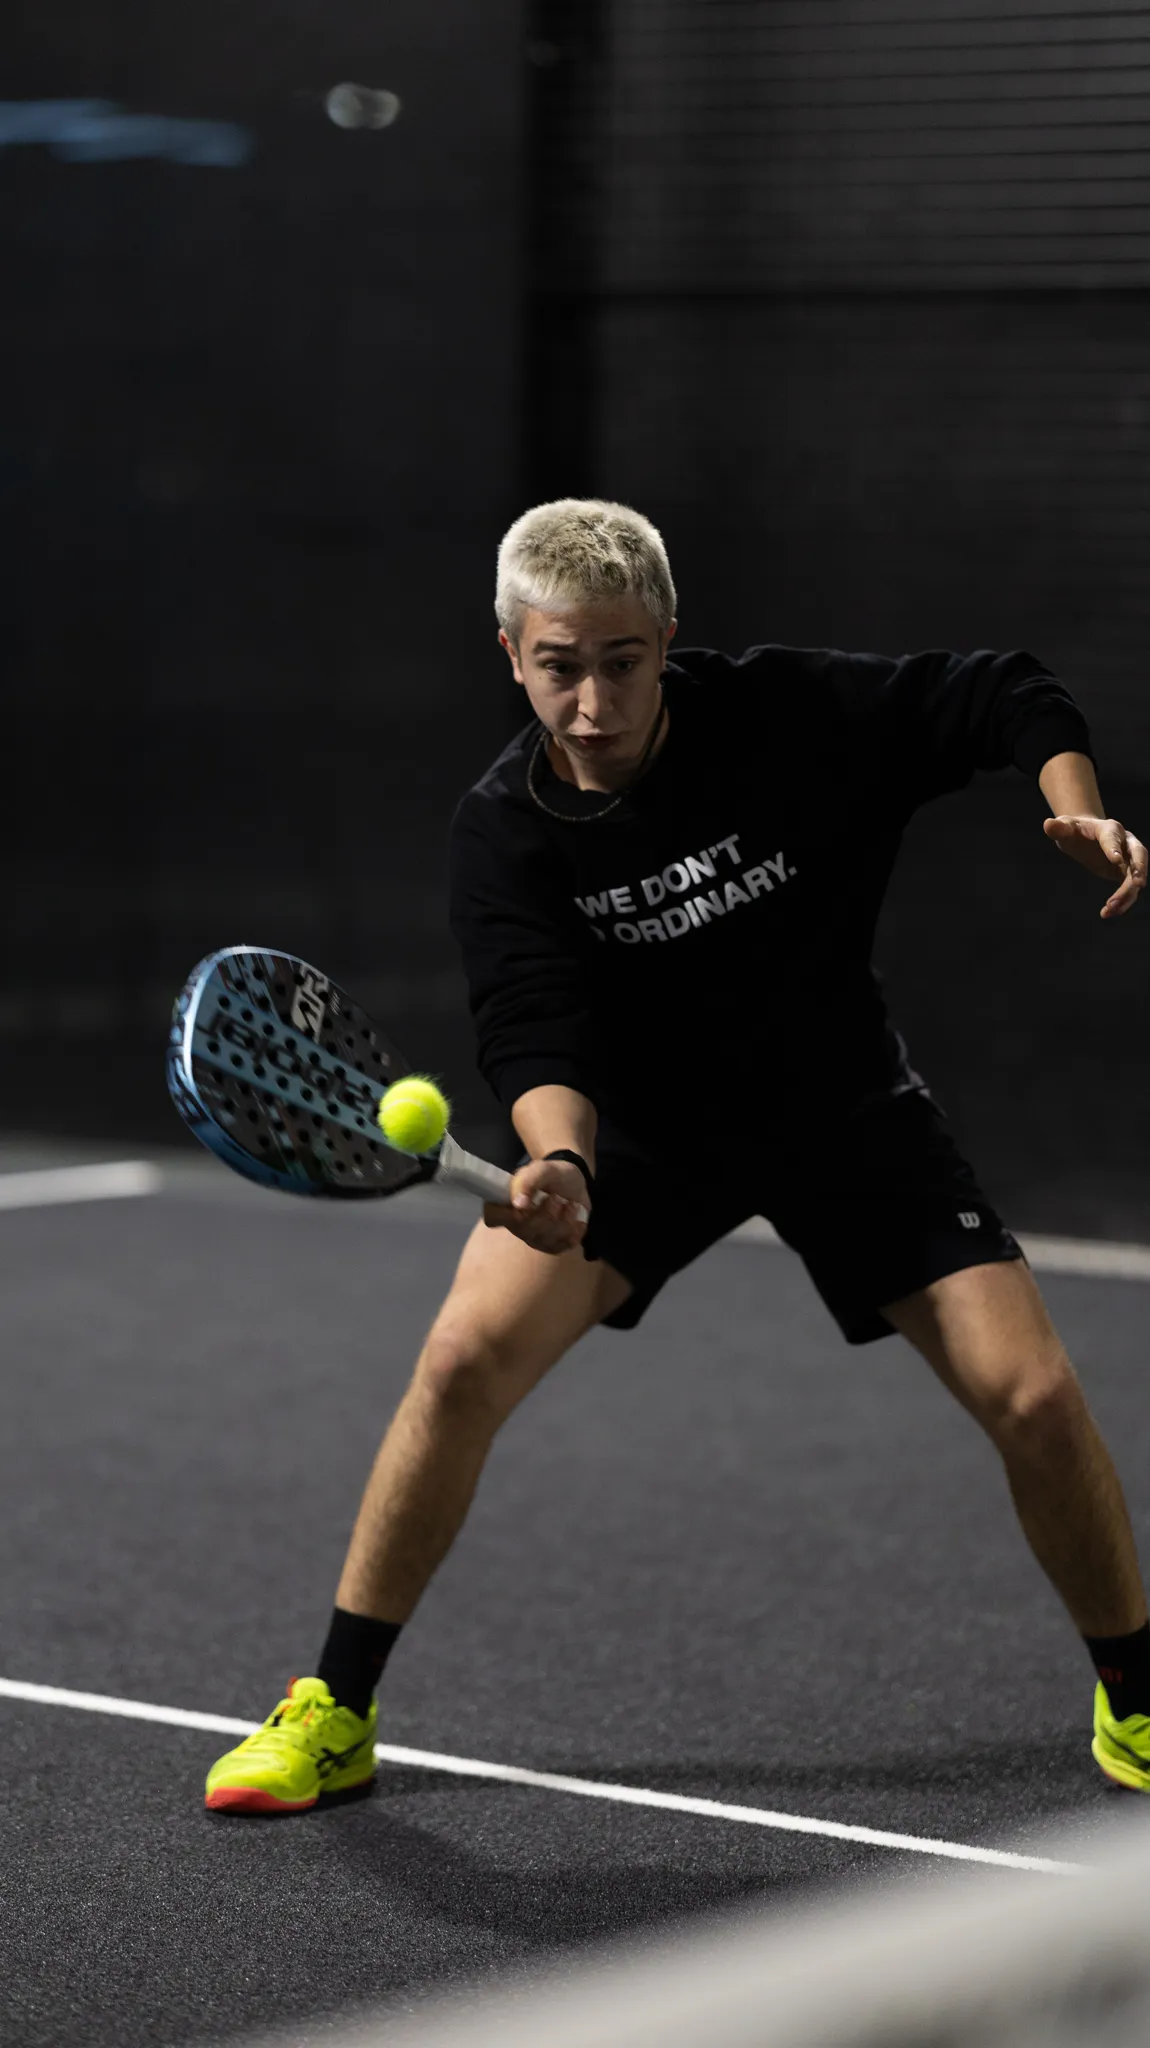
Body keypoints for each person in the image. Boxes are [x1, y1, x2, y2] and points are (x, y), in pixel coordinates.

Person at [204, 498, 1149, 1814]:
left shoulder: (788, 718)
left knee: (1036, 1400)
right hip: (639, 1140)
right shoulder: (504, 832)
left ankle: (1136, 1704)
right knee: (460, 1360)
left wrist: (1073, 804)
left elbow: (1000, 691)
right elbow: (535, 1026)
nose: (590, 701)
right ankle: (335, 1710)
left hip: (840, 1110)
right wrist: (562, 1166)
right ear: (508, 653)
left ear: (665, 641)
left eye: (620, 662)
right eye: (557, 666)